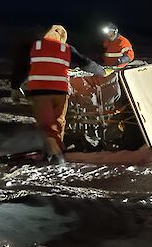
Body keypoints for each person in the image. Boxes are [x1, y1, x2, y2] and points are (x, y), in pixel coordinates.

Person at [26, 25, 105, 164]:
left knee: (46, 124)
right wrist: (101, 71)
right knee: (58, 122)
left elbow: (22, 67)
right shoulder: (66, 48)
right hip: (60, 92)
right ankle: (57, 150)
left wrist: (15, 86)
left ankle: (54, 153)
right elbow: (85, 62)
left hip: (39, 92)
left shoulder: (35, 46)